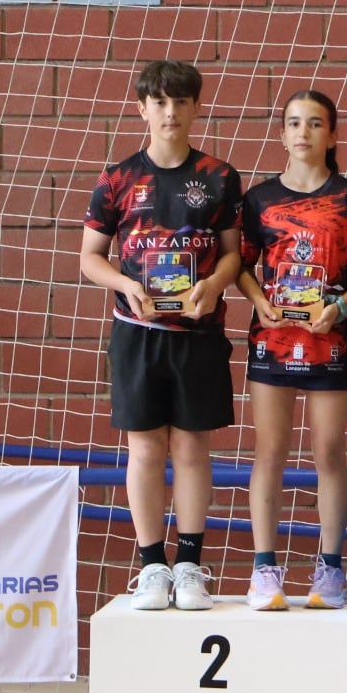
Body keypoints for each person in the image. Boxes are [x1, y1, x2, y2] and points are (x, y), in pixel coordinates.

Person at [80, 59, 242, 612]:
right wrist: (125, 283)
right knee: (146, 446)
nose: (171, 112)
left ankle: (191, 565)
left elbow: (231, 254)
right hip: (137, 332)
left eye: (181, 102)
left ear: (196, 107)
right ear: (143, 107)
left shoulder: (219, 176)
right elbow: (90, 259)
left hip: (197, 331)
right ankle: (152, 566)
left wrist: (216, 285)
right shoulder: (116, 178)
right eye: (160, 102)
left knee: (192, 445)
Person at [238, 90, 347, 611]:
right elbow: (240, 265)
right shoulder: (258, 201)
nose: (303, 132)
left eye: (315, 123)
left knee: (328, 453)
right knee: (270, 452)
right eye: (294, 123)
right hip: (273, 343)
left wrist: (340, 307)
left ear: (332, 134)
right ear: (281, 134)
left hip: (330, 342)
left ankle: (329, 568)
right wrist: (259, 301)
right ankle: (264, 570)